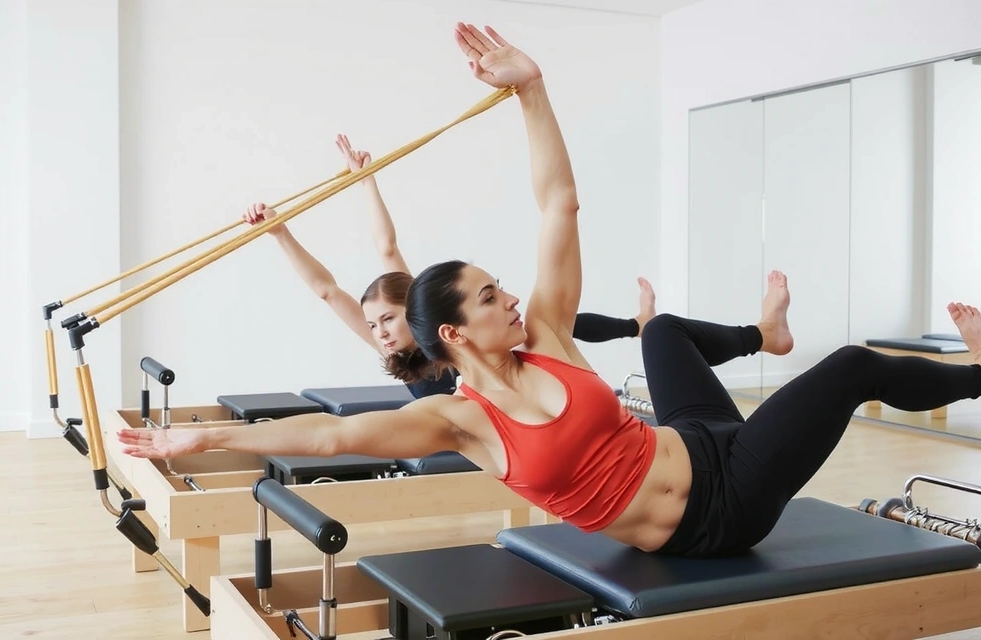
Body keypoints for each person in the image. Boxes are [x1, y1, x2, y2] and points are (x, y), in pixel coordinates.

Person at [120, 22, 981, 558]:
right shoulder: (459, 420)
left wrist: (533, 90)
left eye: (503, 287)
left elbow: (557, 202)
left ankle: (790, 338)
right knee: (855, 365)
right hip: (721, 512)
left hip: (699, 438)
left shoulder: (549, 338)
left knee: (662, 333)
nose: (512, 300)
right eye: (491, 298)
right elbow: (336, 436)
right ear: (456, 334)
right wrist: (200, 444)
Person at [241, 135, 656, 398]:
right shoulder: (394, 353)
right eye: (372, 326)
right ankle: (637, 324)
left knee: (548, 324)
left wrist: (366, 181)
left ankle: (638, 325)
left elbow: (387, 248)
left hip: (508, 381)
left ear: (416, 313)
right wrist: (281, 234)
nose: (380, 333)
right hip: (471, 421)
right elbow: (327, 290)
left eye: (387, 319)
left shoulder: (443, 333)